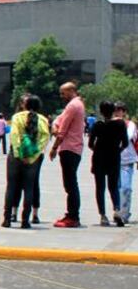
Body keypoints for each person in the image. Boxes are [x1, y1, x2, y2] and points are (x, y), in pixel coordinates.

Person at [2, 94, 50, 229]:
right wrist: (32, 156)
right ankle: (25, 220)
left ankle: (7, 219)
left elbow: (15, 136)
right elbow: (44, 139)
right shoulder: (43, 120)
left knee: (11, 187)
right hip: (33, 159)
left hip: (15, 158)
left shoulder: (17, 117)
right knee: (29, 188)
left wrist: (18, 154)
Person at [48, 82, 86, 228]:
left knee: (70, 184)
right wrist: (55, 125)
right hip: (74, 148)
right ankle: (71, 214)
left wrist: (54, 147)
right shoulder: (77, 104)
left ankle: (73, 216)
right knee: (70, 183)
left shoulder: (73, 105)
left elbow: (62, 129)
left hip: (69, 148)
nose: (61, 96)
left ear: (72, 91)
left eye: (63, 93)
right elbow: (59, 119)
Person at [88, 100, 127, 227]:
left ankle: (103, 216)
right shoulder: (120, 124)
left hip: (99, 159)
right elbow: (125, 143)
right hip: (114, 159)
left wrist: (97, 150)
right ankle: (116, 210)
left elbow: (90, 144)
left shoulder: (98, 125)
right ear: (113, 111)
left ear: (101, 111)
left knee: (100, 188)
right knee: (113, 187)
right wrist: (117, 151)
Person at [118, 103, 137, 223]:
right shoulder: (110, 124)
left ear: (124, 112)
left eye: (119, 111)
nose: (117, 113)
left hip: (127, 160)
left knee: (125, 188)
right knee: (117, 188)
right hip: (113, 160)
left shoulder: (130, 125)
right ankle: (118, 211)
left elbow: (128, 136)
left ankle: (124, 214)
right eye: (115, 111)